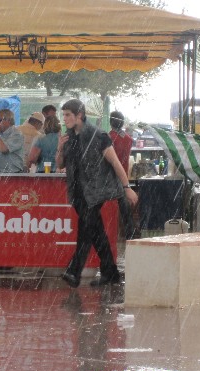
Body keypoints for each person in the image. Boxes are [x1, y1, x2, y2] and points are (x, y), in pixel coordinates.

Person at [55, 99, 137, 288]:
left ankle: (74, 271)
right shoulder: (69, 137)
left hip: (95, 192)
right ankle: (110, 272)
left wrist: (127, 187)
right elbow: (60, 164)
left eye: (68, 115)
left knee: (88, 230)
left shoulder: (97, 135)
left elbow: (115, 162)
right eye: (64, 114)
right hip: (78, 192)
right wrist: (60, 147)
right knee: (93, 231)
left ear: (79, 115)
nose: (64, 118)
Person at [109, 110, 137, 240]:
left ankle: (115, 231)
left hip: (111, 175)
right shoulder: (128, 139)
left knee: (112, 206)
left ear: (110, 121)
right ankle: (131, 231)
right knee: (123, 206)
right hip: (124, 174)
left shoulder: (109, 138)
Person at [0, 108, 25, 173]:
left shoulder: (17, 134)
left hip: (13, 175)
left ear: (9, 120)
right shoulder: (1, 136)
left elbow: (4, 150)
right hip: (0, 174)